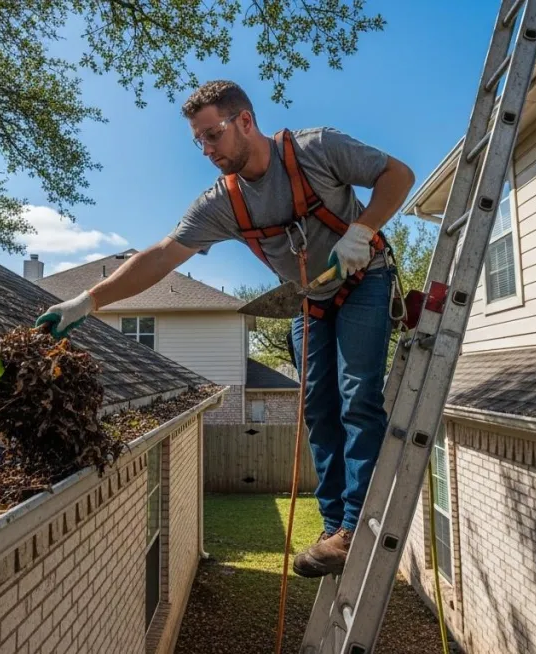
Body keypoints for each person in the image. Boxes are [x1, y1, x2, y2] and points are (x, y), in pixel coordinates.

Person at [36, 80, 415, 578]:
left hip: (364, 279)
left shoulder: (315, 148)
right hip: (310, 303)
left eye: (213, 135)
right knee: (318, 409)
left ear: (245, 121)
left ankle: (356, 524)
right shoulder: (222, 202)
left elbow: (398, 175)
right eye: (199, 141)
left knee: (356, 397)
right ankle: (334, 529)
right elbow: (161, 257)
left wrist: (360, 231)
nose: (207, 150)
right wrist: (88, 301)